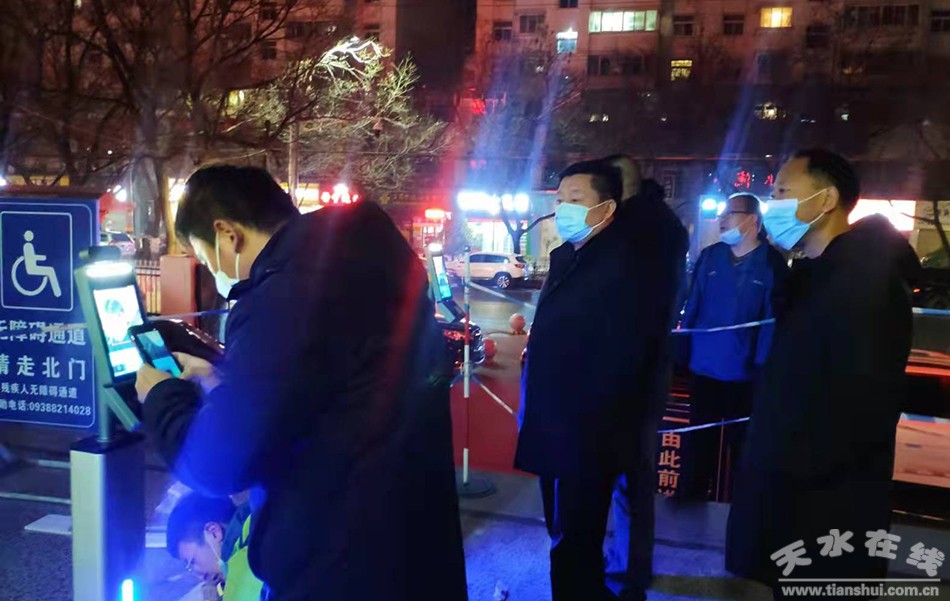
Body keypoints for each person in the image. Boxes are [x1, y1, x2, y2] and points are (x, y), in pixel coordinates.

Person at [134, 166, 467, 601]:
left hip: (338, 566)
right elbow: (321, 395)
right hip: (410, 546)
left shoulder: (283, 295)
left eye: (204, 255)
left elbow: (220, 464)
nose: (214, 271)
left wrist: (161, 395)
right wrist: (223, 383)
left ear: (227, 234)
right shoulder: (365, 261)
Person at [726, 150, 921, 598]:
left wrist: (792, 468)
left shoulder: (865, 283)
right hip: (795, 495)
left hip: (826, 506)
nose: (772, 202)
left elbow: (862, 403)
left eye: (783, 191)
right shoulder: (819, 274)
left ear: (826, 199)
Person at [516, 159, 686, 601]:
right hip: (558, 421)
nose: (563, 209)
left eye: (575, 199)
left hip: (586, 431)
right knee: (570, 536)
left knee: (575, 537)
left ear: (607, 208)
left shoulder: (626, 267)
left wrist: (584, 431)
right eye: (559, 200)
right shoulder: (571, 256)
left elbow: (623, 359)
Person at [601, 155, 688, 599]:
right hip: (645, 366)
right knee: (631, 476)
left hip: (631, 370)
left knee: (627, 477)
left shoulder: (636, 229)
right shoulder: (662, 222)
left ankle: (628, 572)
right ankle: (629, 565)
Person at [679, 193, 788, 502]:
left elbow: (771, 322)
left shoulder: (771, 264)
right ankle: (689, 506)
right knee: (698, 446)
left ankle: (741, 512)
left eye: (730, 213)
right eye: (722, 214)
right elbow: (693, 306)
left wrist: (762, 367)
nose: (722, 220)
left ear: (753, 220)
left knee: (743, 452)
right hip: (704, 370)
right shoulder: (711, 257)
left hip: (745, 377)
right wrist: (683, 351)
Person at [166, 493, 262, 601]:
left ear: (213, 533)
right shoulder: (263, 518)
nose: (201, 577)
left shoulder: (244, 571)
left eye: (192, 561)